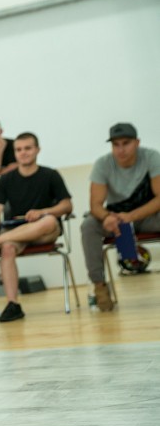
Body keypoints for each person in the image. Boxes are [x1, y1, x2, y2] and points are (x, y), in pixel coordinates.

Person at [0, 132, 73, 321]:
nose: (23, 153)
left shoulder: (50, 175)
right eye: (19, 149)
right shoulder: (6, 180)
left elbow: (67, 205)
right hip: (15, 231)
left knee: (50, 220)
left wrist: (43, 211)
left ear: (37, 150)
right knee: (7, 249)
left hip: (44, 230)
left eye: (28, 148)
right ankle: (13, 304)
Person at [81, 123, 160, 311]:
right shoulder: (103, 164)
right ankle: (99, 287)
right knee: (88, 226)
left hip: (147, 215)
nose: (121, 149)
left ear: (137, 142)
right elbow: (95, 205)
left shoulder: (152, 158)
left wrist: (131, 216)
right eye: (116, 144)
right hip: (115, 219)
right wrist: (107, 217)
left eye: (126, 143)